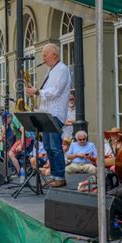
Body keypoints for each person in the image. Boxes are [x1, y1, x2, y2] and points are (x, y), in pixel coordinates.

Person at [26, 43, 71, 187]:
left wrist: (37, 92)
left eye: (45, 55)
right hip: (46, 113)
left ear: (54, 55)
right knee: (48, 146)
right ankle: (53, 175)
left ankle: (60, 177)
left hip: (56, 113)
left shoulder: (62, 69)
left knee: (55, 146)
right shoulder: (51, 70)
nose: (43, 58)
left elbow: (55, 91)